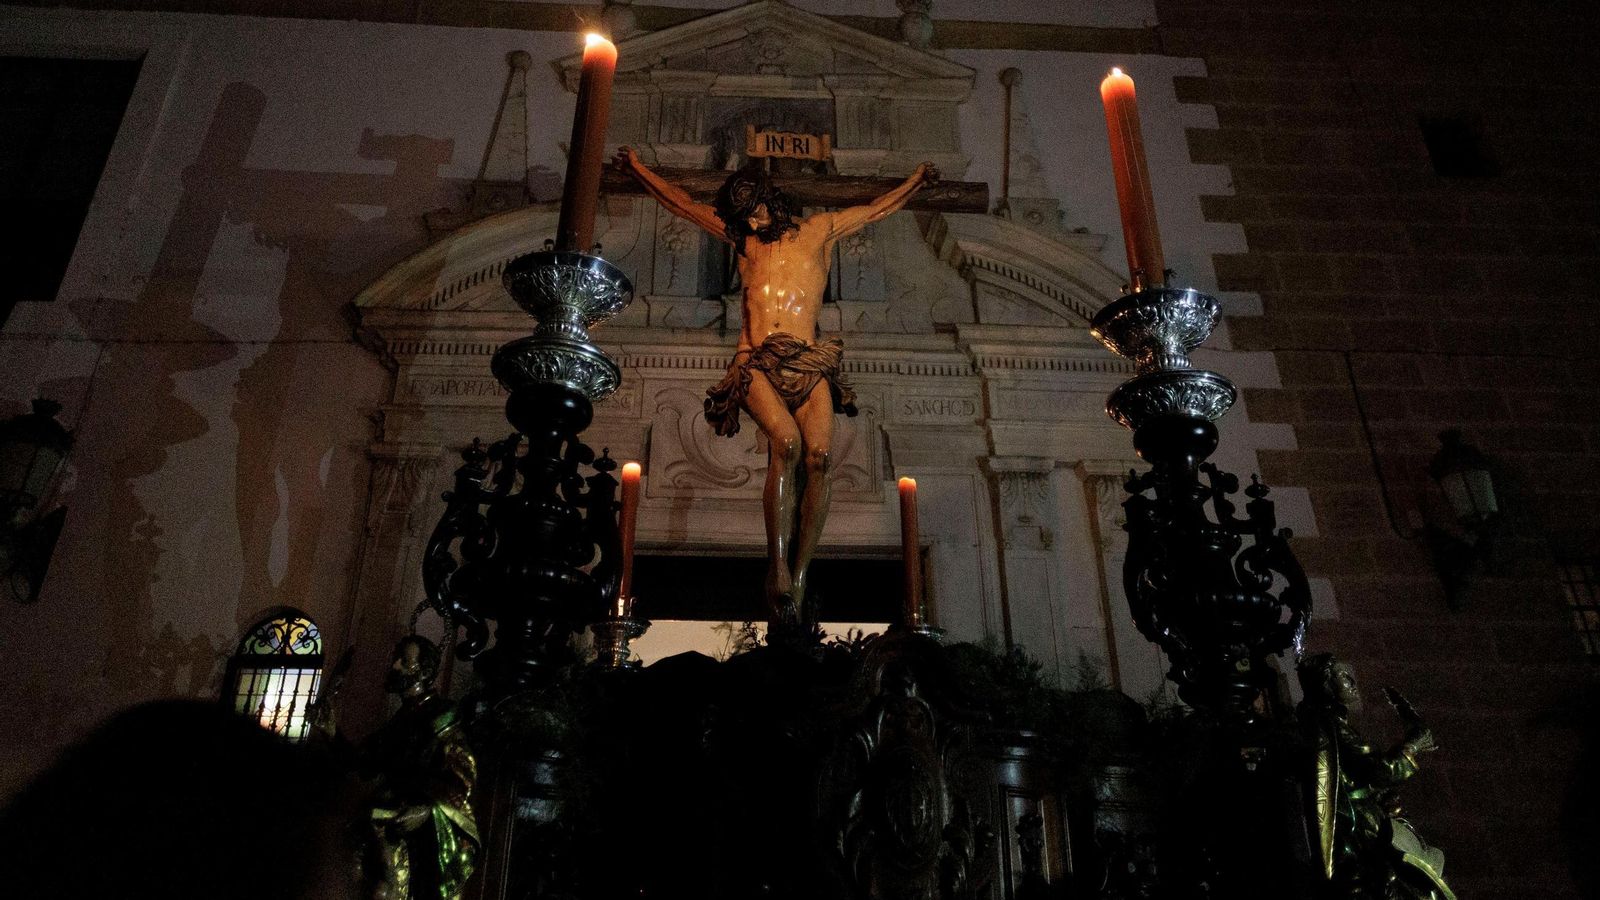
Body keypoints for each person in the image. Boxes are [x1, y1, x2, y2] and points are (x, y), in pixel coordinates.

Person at [615, 148, 938, 626]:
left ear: (771, 201)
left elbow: (876, 209)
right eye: (744, 216)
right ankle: (778, 564)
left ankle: (800, 573)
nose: (752, 221)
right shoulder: (744, 242)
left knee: (820, 457)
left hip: (808, 361)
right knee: (785, 443)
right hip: (757, 363)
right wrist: (638, 169)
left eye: (756, 210)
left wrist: (917, 179)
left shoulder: (820, 230)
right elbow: (682, 204)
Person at [1298, 653, 1455, 900]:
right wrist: (1412, 746)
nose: (1351, 681)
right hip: (1360, 823)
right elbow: (1379, 770)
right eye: (1342, 676)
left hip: (1366, 814)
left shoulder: (1330, 723)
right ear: (1326, 686)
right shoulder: (1332, 726)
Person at [364, 635, 479, 900]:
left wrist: (428, 810)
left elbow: (462, 775)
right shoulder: (398, 720)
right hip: (387, 810)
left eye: (404, 662)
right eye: (397, 659)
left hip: (420, 821)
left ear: (424, 672)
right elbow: (366, 763)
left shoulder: (442, 717)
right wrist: (331, 732)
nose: (395, 666)